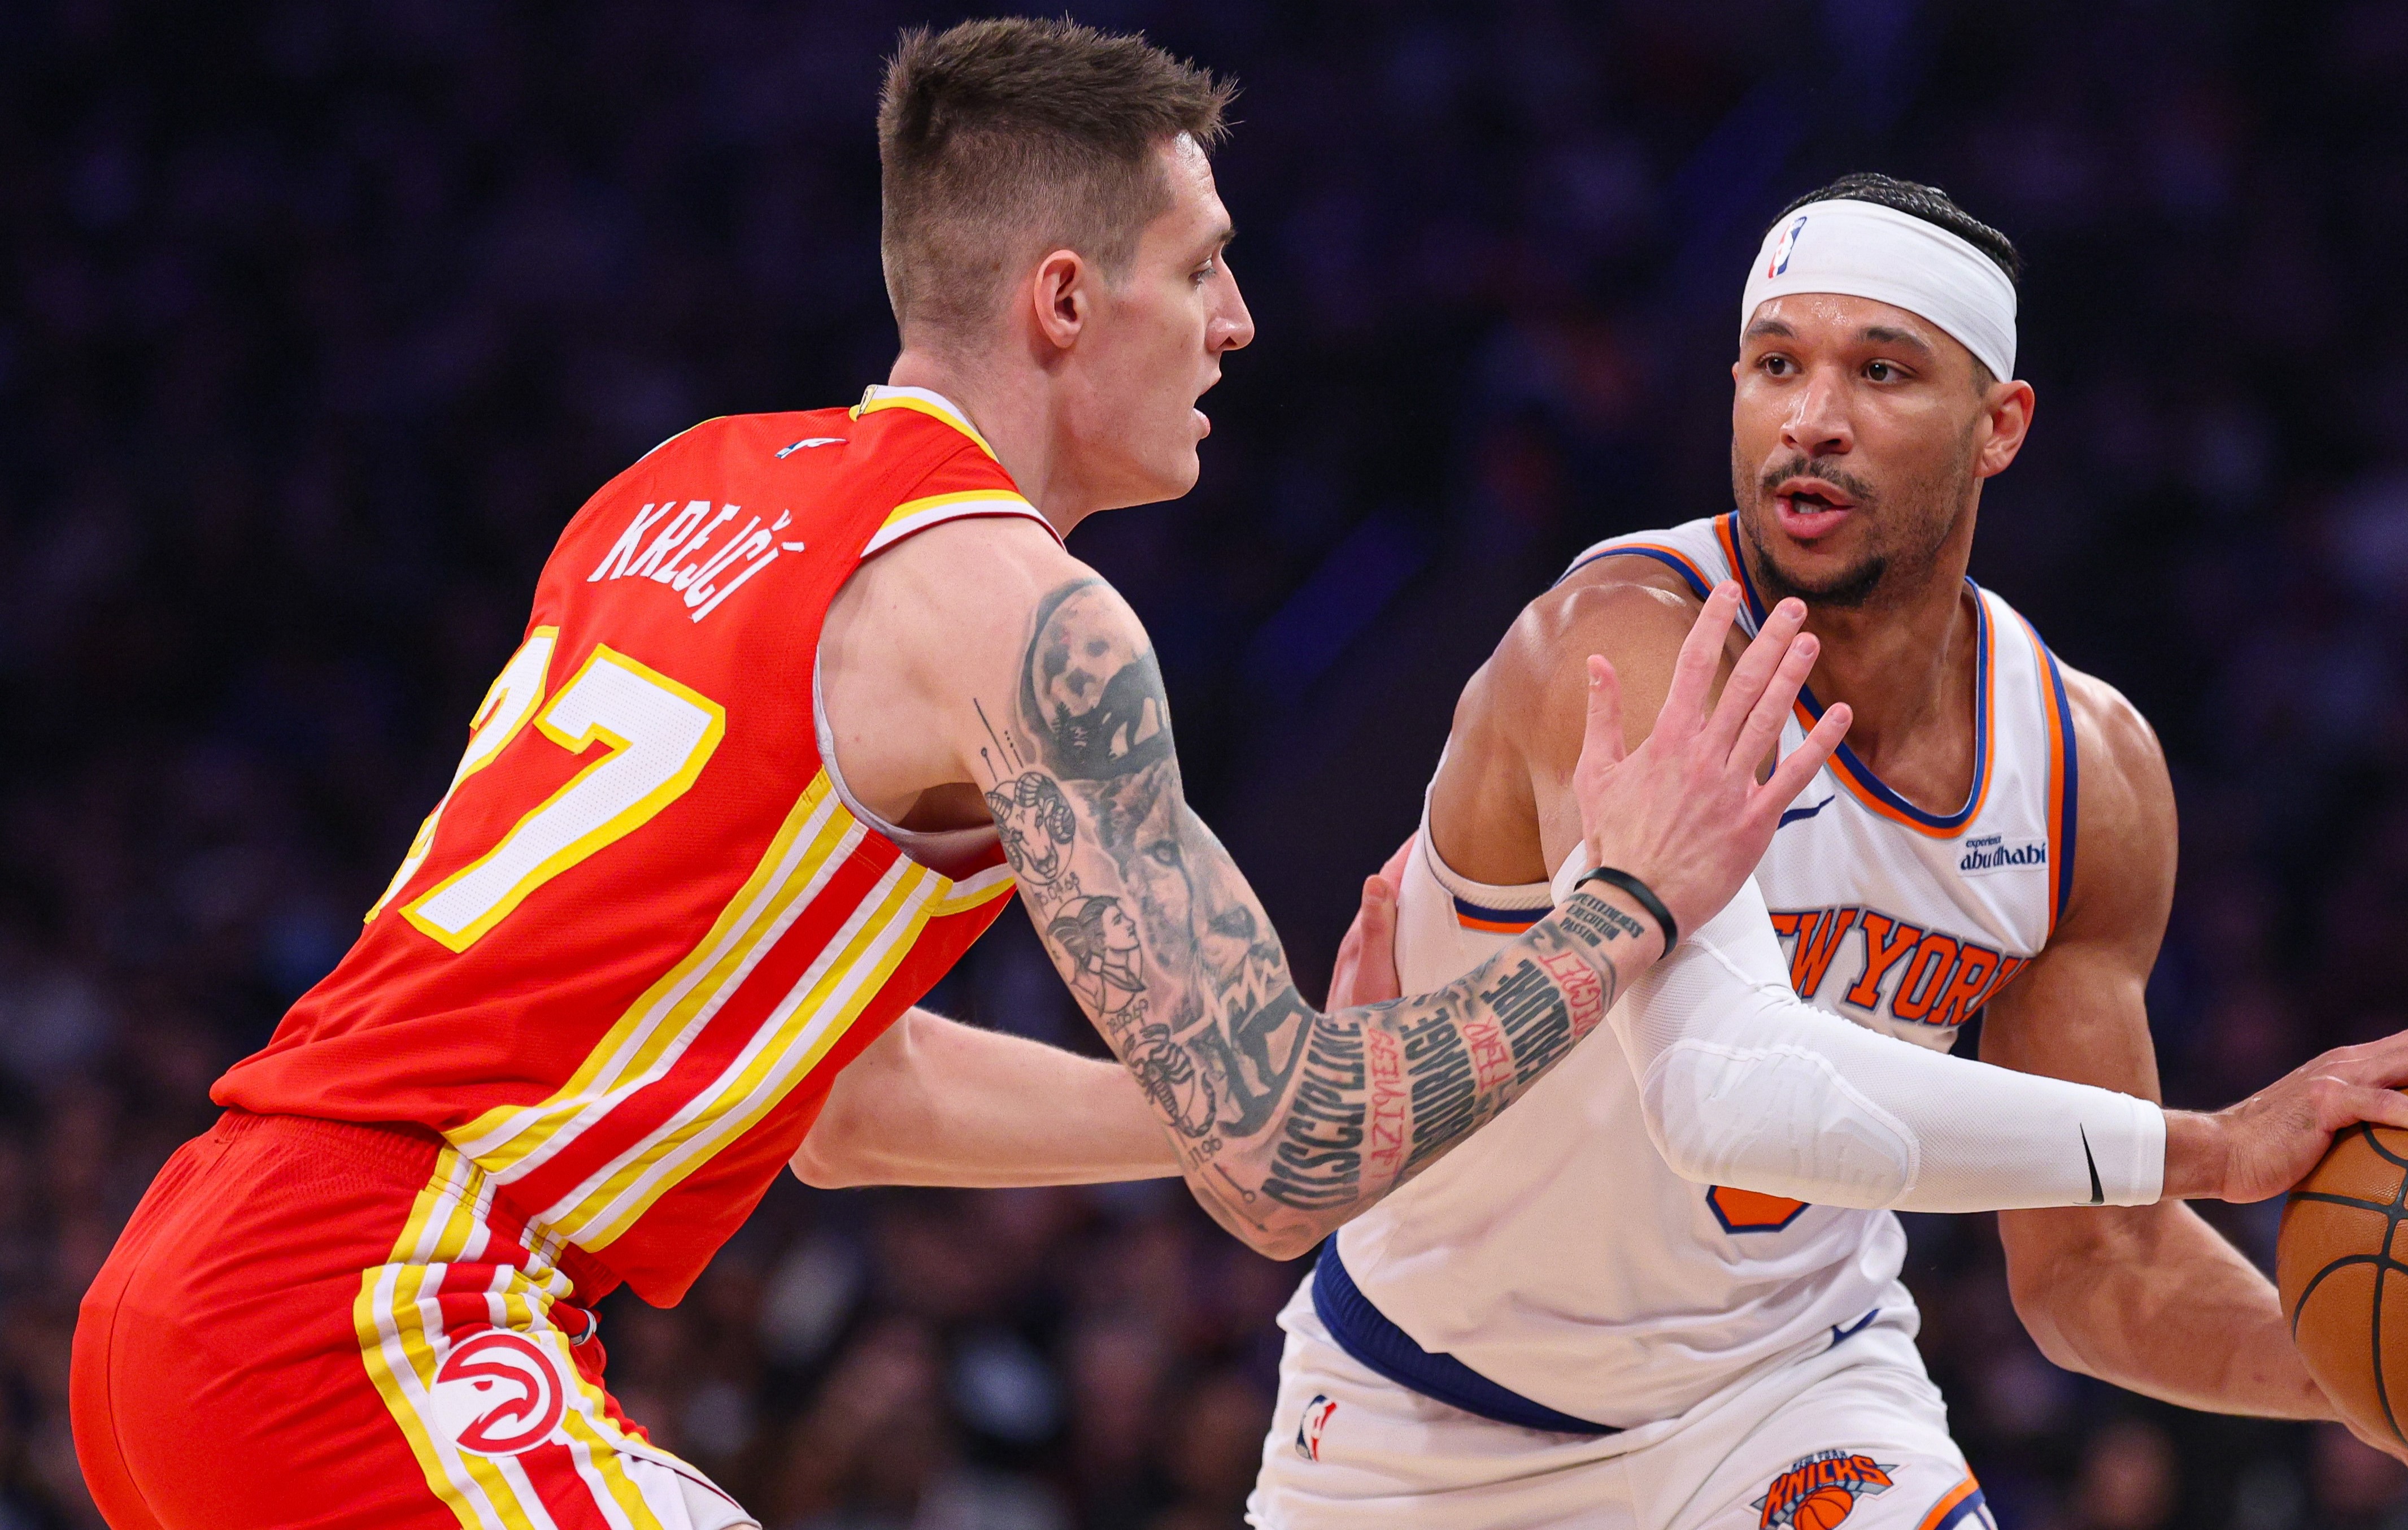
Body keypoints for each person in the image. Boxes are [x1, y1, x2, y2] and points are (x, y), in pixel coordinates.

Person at [64, 21, 1846, 1530]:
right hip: (379, 1312)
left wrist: (1205, 1097)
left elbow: (835, 1098)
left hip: (191, 1283)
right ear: (1065, 297)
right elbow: (1291, 1160)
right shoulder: (1021, 616)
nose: (1238, 321)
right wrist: (1628, 904)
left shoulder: (675, 486)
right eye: (1200, 266)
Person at [1246, 175, 2408, 1528]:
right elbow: (1719, 1092)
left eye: (1881, 372)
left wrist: (2384, 1373)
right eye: (1774, 365)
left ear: (1999, 426)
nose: (1811, 419)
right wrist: (2215, 1147)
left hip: (1783, 1398)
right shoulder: (1618, 652)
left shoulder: (2084, 772)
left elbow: (2094, 1261)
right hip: (1420, 1424)